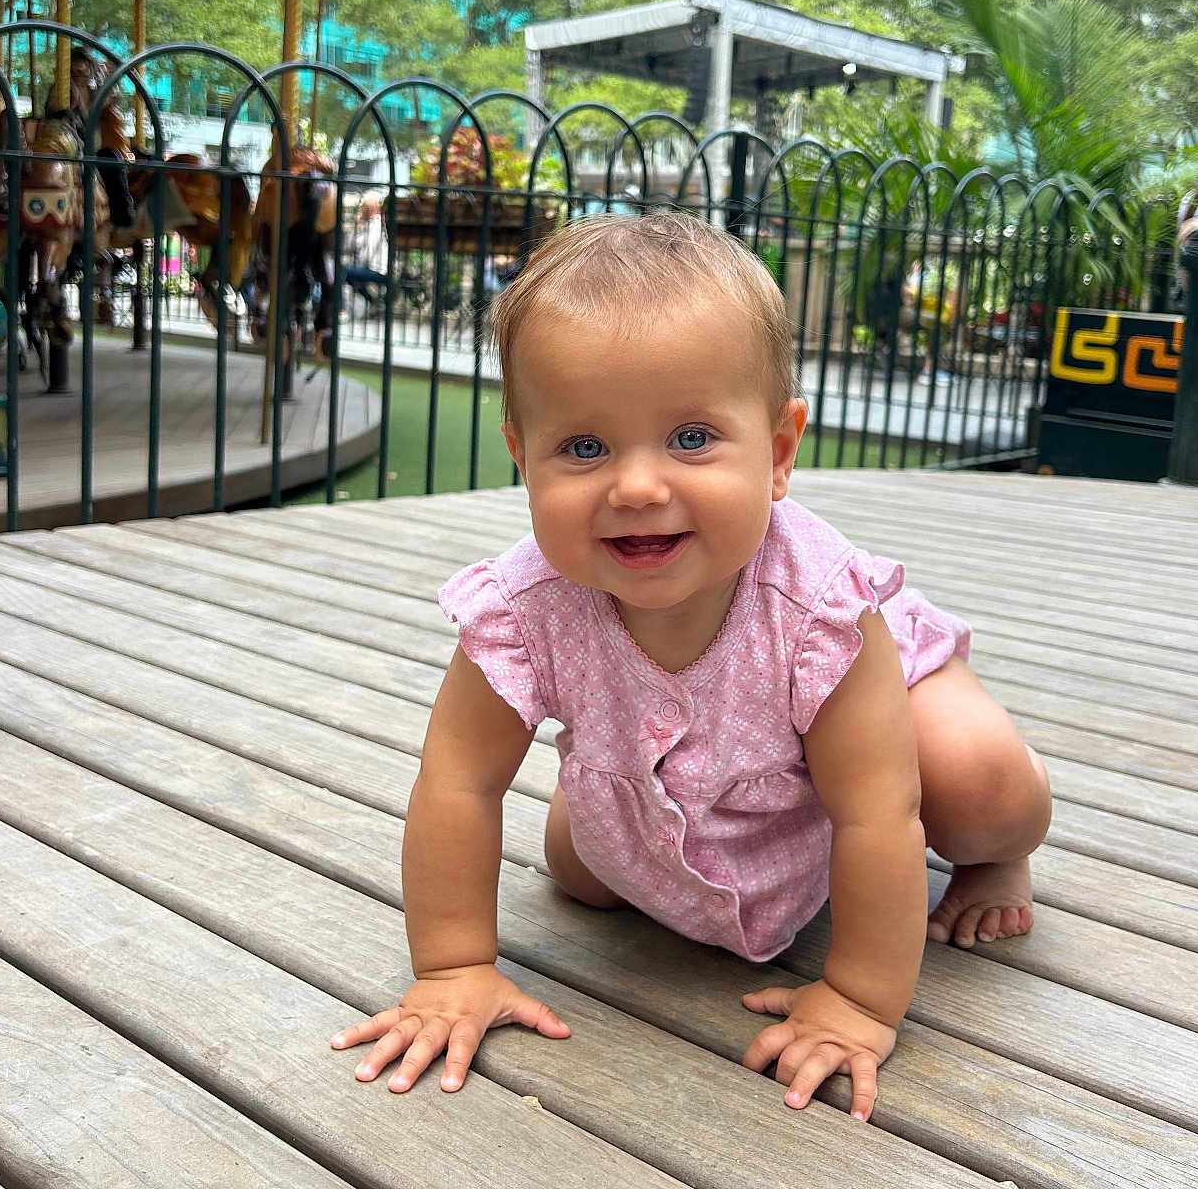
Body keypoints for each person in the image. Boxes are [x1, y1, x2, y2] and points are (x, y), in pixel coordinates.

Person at [331, 212, 1052, 1121]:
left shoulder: (821, 608)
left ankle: (1001, 859)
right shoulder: (523, 608)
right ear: (523, 455)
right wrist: (452, 968)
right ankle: (631, 801)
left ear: (779, 453)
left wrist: (860, 1000)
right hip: (688, 771)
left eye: (692, 438)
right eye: (584, 448)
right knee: (582, 873)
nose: (637, 486)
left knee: (978, 789)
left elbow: (876, 811)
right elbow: (457, 782)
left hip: (874, 710)